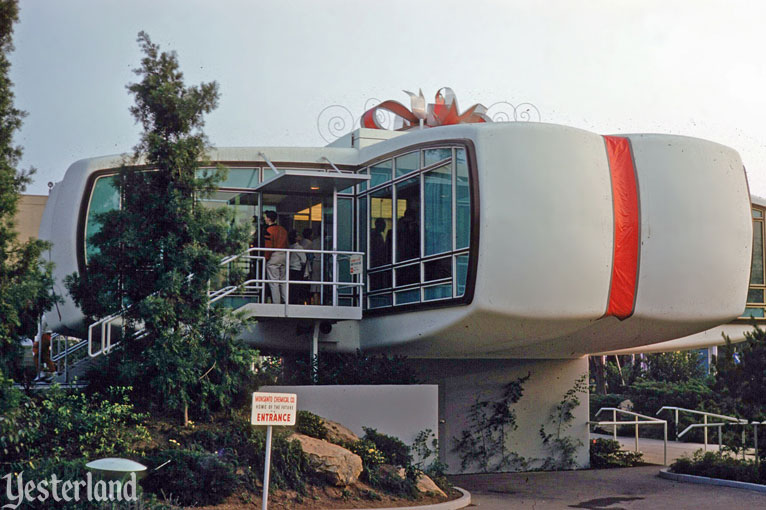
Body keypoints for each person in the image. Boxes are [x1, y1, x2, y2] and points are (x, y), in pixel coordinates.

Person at [263, 211, 288, 304]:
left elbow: (268, 246)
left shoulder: (269, 230)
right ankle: (286, 301)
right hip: (284, 255)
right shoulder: (283, 229)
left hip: (274, 255)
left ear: (269, 219)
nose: (264, 219)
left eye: (265, 217)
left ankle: (276, 303)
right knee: (283, 281)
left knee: (274, 282)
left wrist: (266, 258)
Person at [300, 228, 319, 304]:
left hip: (301, 265)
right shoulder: (310, 243)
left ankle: (303, 300)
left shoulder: (302, 242)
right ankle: (308, 300)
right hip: (306, 265)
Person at [288, 230, 308, 304]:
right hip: (297, 269)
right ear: (296, 238)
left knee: (291, 287)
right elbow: (304, 260)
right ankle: (295, 302)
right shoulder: (299, 247)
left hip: (290, 269)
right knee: (296, 288)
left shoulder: (289, 247)